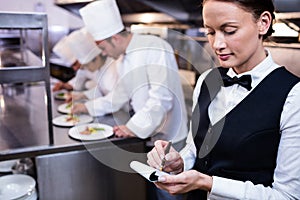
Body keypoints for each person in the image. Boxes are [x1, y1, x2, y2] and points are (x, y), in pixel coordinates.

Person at [146, 0, 300, 199]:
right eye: (210, 32)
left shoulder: (293, 95)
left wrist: (208, 183)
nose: (217, 44)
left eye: (229, 30)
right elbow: (196, 149)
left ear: (263, 23)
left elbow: (287, 196)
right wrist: (179, 162)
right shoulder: (206, 81)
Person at [65, 28, 119, 101]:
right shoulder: (99, 68)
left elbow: (114, 100)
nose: (87, 69)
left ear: (96, 58)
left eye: (87, 65)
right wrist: (82, 96)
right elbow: (101, 91)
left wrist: (87, 108)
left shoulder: (113, 69)